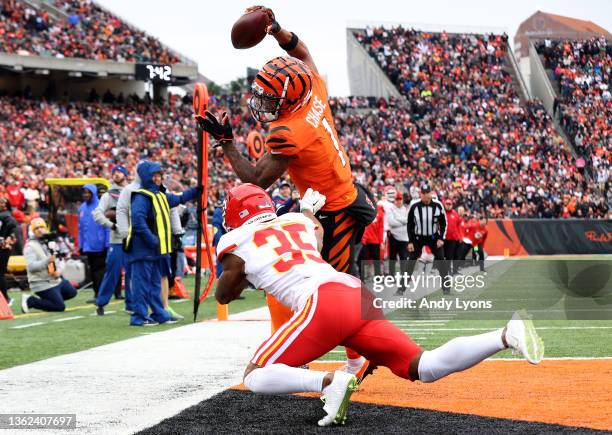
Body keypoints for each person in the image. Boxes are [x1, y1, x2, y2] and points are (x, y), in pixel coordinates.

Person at [214, 183, 544, 427]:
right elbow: (314, 238)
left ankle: (328, 383)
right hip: (354, 292)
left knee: (255, 377)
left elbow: (224, 295)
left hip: (322, 302)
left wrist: (243, 272)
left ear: (235, 216)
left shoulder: (234, 241)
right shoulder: (298, 221)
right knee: (423, 366)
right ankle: (504, 335)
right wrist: (308, 212)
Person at [197, 5, 376, 374]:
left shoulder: (290, 131)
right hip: (328, 196)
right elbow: (303, 53)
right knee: (292, 276)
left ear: (287, 99)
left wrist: (227, 142)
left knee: (332, 289)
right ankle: (299, 343)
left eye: (269, 97)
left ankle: (358, 359)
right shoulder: (311, 86)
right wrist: (277, 31)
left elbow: (255, 180)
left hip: (335, 208)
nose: (262, 103)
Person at [123, 161, 198, 326]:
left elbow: (180, 198)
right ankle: (139, 317)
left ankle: (158, 313)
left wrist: (197, 190)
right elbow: (138, 222)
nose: (157, 178)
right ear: (145, 176)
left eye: (159, 175)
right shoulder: (141, 197)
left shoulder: (161, 195)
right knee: (141, 285)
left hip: (157, 250)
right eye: (154, 175)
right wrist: (152, 240)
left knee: (155, 284)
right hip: (144, 250)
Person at [93, 165, 131, 315]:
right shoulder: (108, 195)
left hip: (133, 238)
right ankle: (101, 303)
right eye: (114, 172)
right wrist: (112, 225)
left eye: (119, 172)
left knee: (132, 273)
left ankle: (131, 304)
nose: (116, 175)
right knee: (112, 273)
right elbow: (97, 214)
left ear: (125, 175)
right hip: (117, 240)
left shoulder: (133, 191)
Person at [21, 218, 77, 312]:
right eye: (36, 228)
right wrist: (47, 261)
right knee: (59, 307)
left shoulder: (51, 242)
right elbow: (31, 267)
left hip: (55, 279)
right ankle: (30, 300)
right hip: (41, 282)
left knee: (72, 292)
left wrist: (59, 271)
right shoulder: (30, 246)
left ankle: (52, 300)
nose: (40, 229)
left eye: (42, 227)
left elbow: (60, 259)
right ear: (32, 231)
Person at [404, 184, 450, 294]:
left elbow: (443, 223)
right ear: (420, 194)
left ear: (430, 193)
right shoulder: (414, 206)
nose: (425, 195)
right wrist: (410, 241)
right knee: (410, 262)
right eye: (423, 193)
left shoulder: (438, 205)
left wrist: (441, 238)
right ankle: (401, 288)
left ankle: (446, 288)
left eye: (427, 192)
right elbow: (409, 224)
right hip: (418, 237)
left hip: (433, 237)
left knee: (441, 261)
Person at [79, 184, 109, 303]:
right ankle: (97, 293)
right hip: (88, 246)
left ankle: (100, 295)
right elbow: (80, 228)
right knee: (92, 270)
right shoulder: (82, 208)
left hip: (99, 245)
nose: (86, 195)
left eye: (88, 192)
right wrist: (81, 244)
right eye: (84, 192)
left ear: (93, 193)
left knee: (99, 271)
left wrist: (106, 243)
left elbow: (106, 226)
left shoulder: (100, 206)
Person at [387, 192, 409, 293]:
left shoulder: (406, 209)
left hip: (404, 238)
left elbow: (408, 220)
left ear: (402, 200)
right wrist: (403, 221)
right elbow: (391, 222)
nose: (399, 201)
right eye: (397, 199)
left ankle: (403, 278)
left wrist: (399, 220)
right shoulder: (391, 208)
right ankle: (391, 276)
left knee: (403, 259)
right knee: (392, 257)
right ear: (394, 200)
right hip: (394, 237)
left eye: (400, 199)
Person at [0, 197, 19, 305]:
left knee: (0, 274)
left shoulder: (5, 216)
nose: (2, 205)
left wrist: (8, 239)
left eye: (3, 203)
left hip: (3, 248)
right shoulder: (7, 216)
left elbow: (13, 233)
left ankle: (6, 299)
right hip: (4, 247)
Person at [443, 198, 462, 274]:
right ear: (445, 205)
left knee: (450, 255)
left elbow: (458, 226)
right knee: (444, 255)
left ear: (452, 205)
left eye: (449, 204)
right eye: (447, 204)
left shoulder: (455, 214)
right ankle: (446, 270)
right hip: (444, 238)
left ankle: (451, 270)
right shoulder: (442, 213)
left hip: (453, 238)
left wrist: (459, 236)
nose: (448, 206)